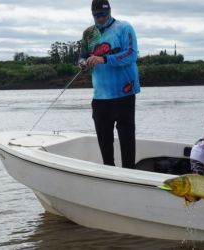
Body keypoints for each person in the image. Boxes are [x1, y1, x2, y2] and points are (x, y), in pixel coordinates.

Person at [78, 0, 140, 169]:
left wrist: (104, 59)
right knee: (105, 145)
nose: (101, 18)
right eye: (97, 15)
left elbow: (131, 55)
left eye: (104, 15)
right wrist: (83, 64)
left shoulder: (124, 28)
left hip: (124, 94)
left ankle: (130, 174)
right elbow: (82, 57)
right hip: (100, 97)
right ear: (93, 15)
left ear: (110, 12)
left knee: (127, 142)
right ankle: (109, 174)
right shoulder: (88, 34)